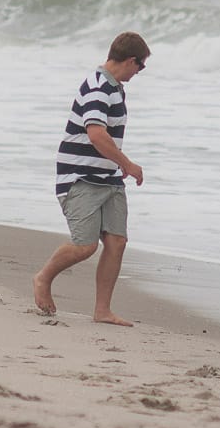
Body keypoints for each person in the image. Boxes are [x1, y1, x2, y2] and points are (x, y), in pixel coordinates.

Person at [32, 32, 150, 327]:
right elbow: (96, 134)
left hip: (107, 177)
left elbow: (105, 137)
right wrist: (128, 164)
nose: (139, 73)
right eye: (141, 66)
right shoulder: (98, 87)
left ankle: (102, 310)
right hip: (80, 176)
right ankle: (43, 277)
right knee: (85, 246)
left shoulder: (115, 89)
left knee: (117, 242)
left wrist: (117, 165)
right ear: (131, 60)